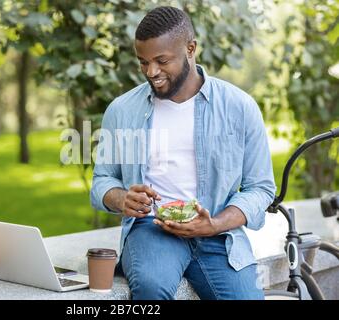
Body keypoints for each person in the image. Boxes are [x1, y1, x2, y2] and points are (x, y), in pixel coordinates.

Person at [90, 6, 276, 300]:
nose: (152, 72)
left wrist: (214, 223)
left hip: (218, 233)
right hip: (152, 229)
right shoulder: (122, 110)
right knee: (150, 289)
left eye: (162, 61)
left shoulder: (239, 107)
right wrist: (122, 198)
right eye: (143, 62)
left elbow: (261, 188)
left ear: (190, 49)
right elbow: (102, 180)